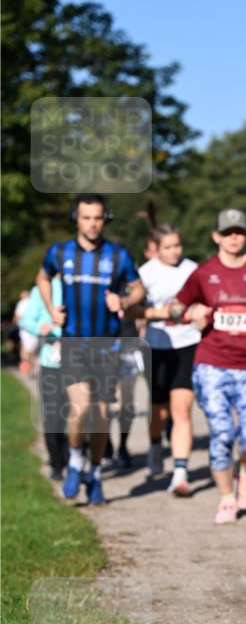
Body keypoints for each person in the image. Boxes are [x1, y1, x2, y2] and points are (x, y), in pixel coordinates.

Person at [172, 208, 246, 523]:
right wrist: (190, 314)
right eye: (228, 232)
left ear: (244, 236)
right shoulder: (204, 273)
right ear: (217, 236)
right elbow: (177, 306)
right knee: (221, 433)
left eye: (239, 232)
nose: (234, 238)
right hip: (213, 363)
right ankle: (225, 498)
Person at [36, 193, 145, 505]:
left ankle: (94, 473)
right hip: (73, 341)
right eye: (86, 217)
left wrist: (124, 301)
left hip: (107, 344)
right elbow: (43, 277)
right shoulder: (59, 252)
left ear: (105, 219)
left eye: (98, 217)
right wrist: (50, 309)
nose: (92, 224)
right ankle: (74, 460)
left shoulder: (118, 255)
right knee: (80, 408)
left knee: (100, 416)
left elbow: (139, 288)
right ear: (76, 219)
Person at [131, 224, 200, 495]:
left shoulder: (192, 269)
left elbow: (204, 301)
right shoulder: (145, 274)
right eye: (168, 248)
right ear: (155, 249)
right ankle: (156, 444)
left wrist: (198, 313)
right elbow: (132, 309)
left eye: (177, 246)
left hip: (188, 343)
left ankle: (180, 473)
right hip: (156, 348)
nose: (174, 252)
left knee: (182, 409)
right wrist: (158, 313)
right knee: (158, 412)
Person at [18, 278, 69, 479]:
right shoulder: (42, 289)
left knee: (79, 414)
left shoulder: (82, 283)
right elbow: (25, 320)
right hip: (51, 362)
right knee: (53, 416)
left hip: (81, 361)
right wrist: (43, 327)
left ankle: (76, 460)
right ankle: (57, 463)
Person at [14, 290, 38, 376]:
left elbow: (17, 316)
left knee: (26, 348)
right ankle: (30, 367)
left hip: (26, 328)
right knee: (31, 350)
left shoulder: (23, 303)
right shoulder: (35, 302)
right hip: (33, 329)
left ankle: (27, 366)